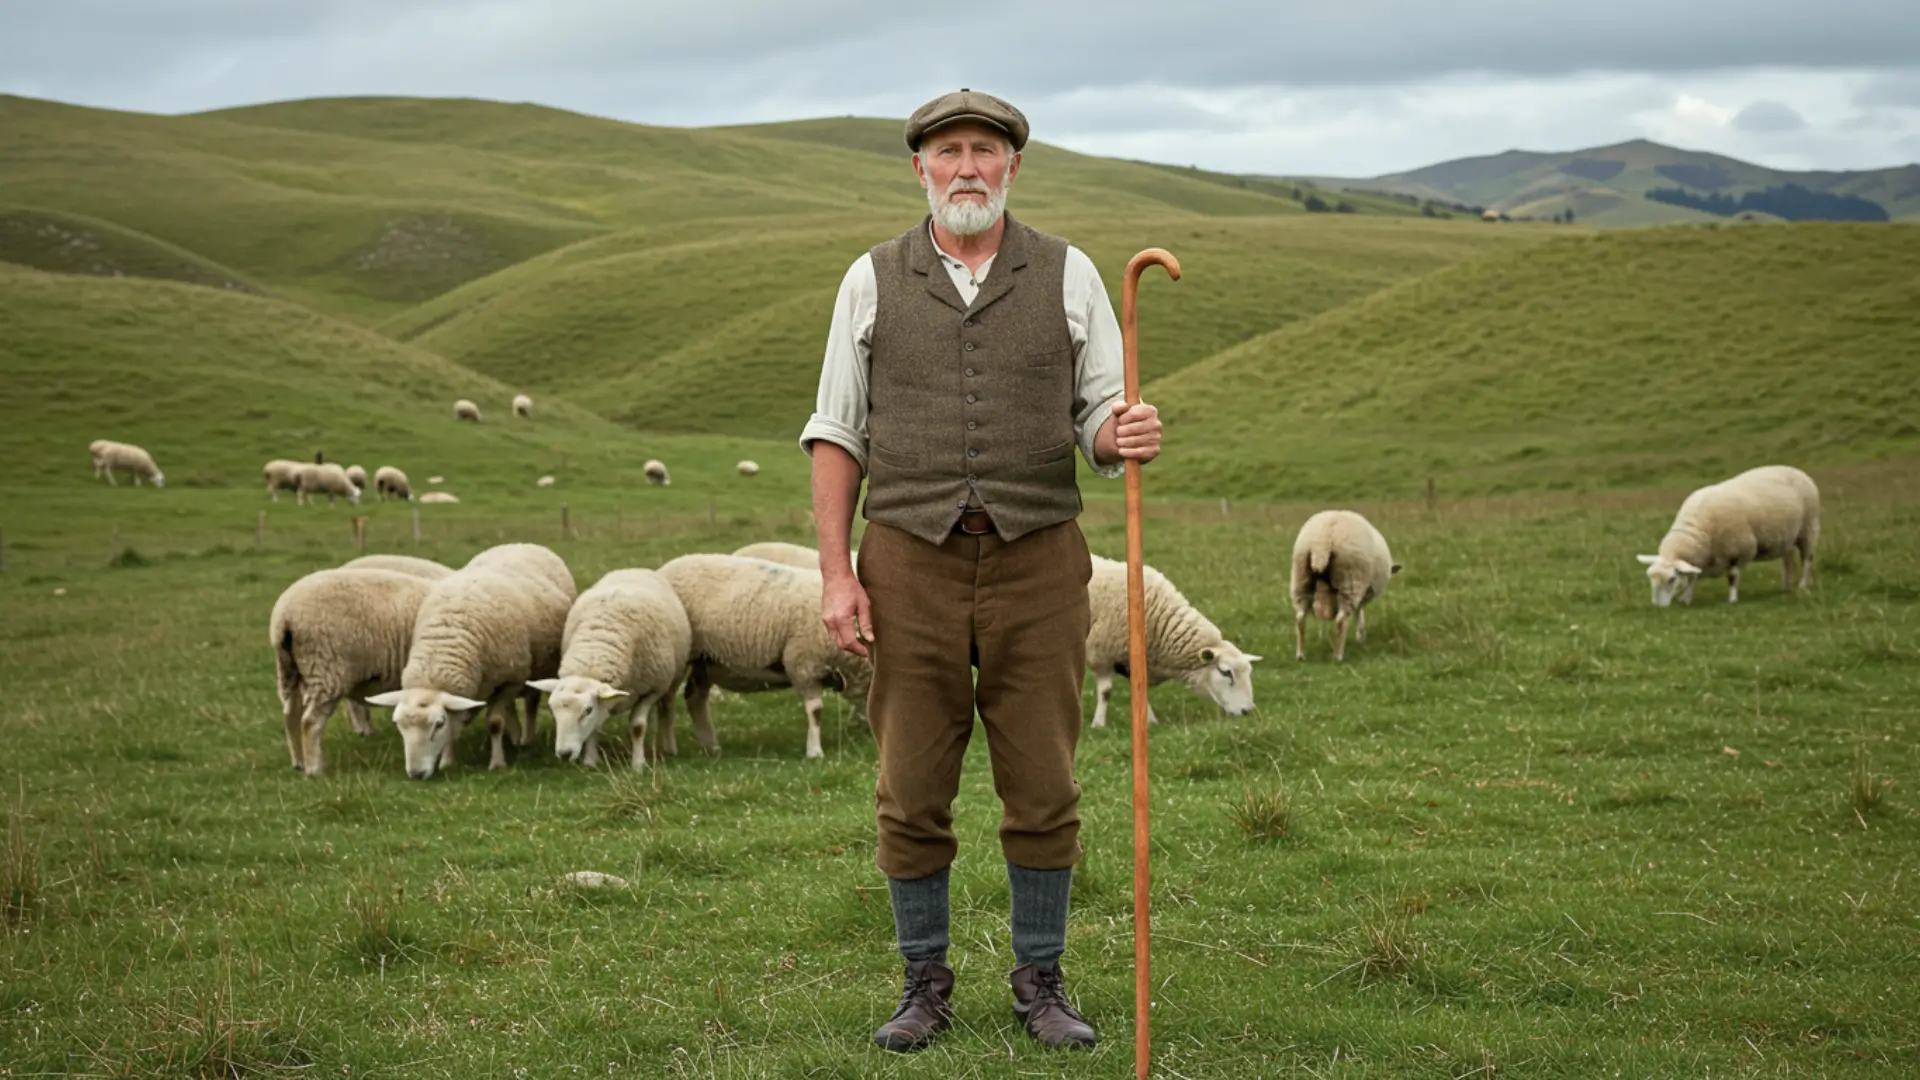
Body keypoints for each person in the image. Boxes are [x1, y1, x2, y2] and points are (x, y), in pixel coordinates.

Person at [798, 87, 1164, 1053]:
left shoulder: (1070, 273)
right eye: (948, 151)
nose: (968, 167)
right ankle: (924, 983)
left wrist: (1119, 432)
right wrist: (837, 576)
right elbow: (836, 434)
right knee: (910, 784)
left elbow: (1096, 418)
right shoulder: (871, 279)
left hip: (1040, 561)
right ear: (919, 168)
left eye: (986, 151)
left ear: (1013, 167)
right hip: (907, 562)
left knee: (1042, 782)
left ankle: (1040, 980)